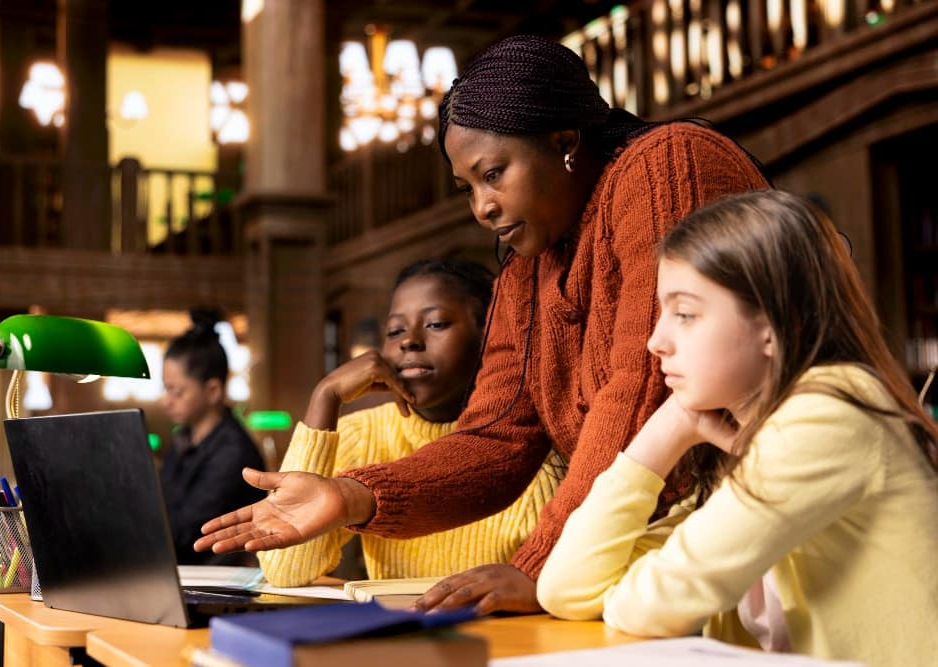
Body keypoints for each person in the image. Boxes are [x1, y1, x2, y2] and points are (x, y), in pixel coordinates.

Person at [194, 34, 768, 614]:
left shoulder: (665, 164)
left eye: (494, 173)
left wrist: (541, 565)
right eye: (468, 187)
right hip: (659, 560)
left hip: (760, 520)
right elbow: (496, 437)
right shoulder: (527, 268)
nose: (482, 206)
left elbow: (643, 386)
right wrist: (350, 495)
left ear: (565, 141)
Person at [537, 190, 938, 665]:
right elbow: (565, 587)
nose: (655, 340)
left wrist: (629, 594)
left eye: (684, 314)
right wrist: (667, 431)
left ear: (773, 323)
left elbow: (659, 601)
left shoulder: (829, 415)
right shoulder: (755, 434)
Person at [259, 258, 564, 586]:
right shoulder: (362, 434)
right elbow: (284, 570)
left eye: (435, 324)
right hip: (396, 633)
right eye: (395, 331)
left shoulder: (527, 445)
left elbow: (552, 587)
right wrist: (325, 396)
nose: (409, 341)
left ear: (491, 340)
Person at [159, 309, 266, 564]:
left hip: (217, 589)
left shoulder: (233, 453)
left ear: (213, 390)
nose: (166, 401)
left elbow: (183, 534)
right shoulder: (184, 440)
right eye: (166, 389)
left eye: (177, 391)